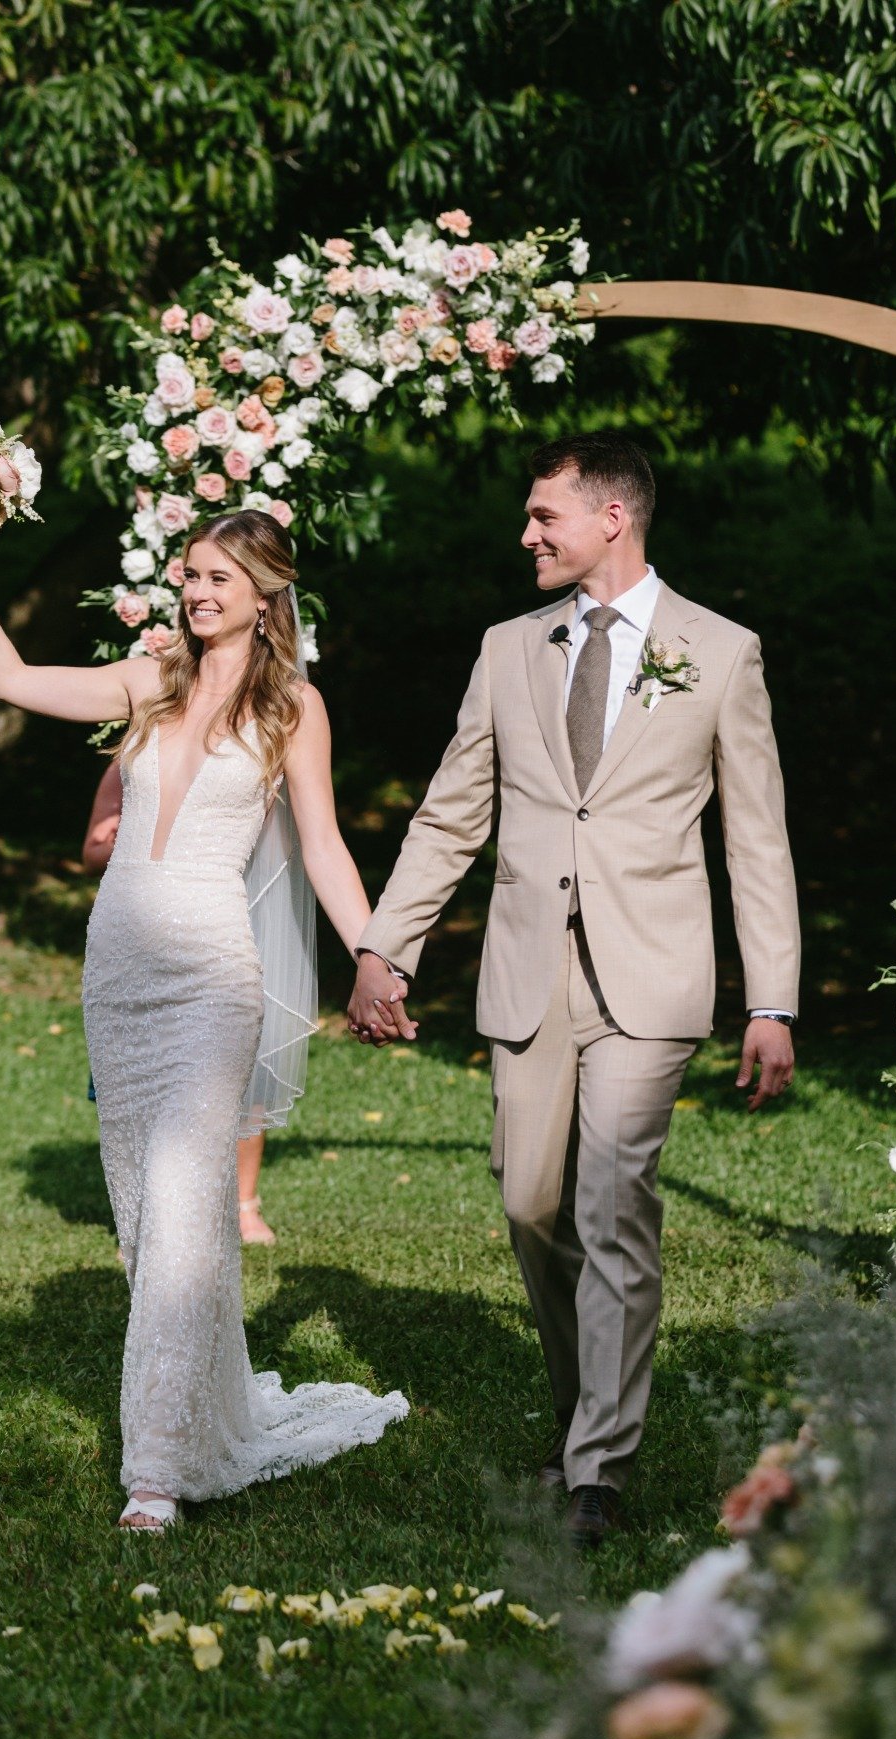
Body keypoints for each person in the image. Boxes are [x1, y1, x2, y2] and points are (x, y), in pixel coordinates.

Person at [0, 500, 408, 1532]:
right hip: (118, 978)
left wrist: (377, 954)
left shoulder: (294, 711)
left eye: (218, 578)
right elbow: (10, 678)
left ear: (266, 596)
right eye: (189, 574)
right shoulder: (151, 680)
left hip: (211, 978)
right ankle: (207, 1410)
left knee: (190, 1213)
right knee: (149, 1227)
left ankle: (158, 1472)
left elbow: (322, 848)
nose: (195, 591)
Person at [348, 431, 800, 1546]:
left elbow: (758, 838)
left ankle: (597, 1467)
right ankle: (579, 1405)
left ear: (614, 519)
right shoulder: (510, 648)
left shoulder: (721, 650)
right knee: (530, 1202)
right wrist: (382, 947)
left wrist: (773, 999)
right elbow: (454, 810)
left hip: (653, 973)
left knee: (611, 1204)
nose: (527, 534)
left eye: (544, 516)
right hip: (528, 971)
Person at [81, 760, 277, 1246]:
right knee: (143, 1087)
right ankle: (152, 1207)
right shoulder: (131, 760)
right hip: (142, 946)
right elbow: (91, 851)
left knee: (234, 1079)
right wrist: (128, 836)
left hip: (223, 924)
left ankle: (241, 1203)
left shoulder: (250, 760)